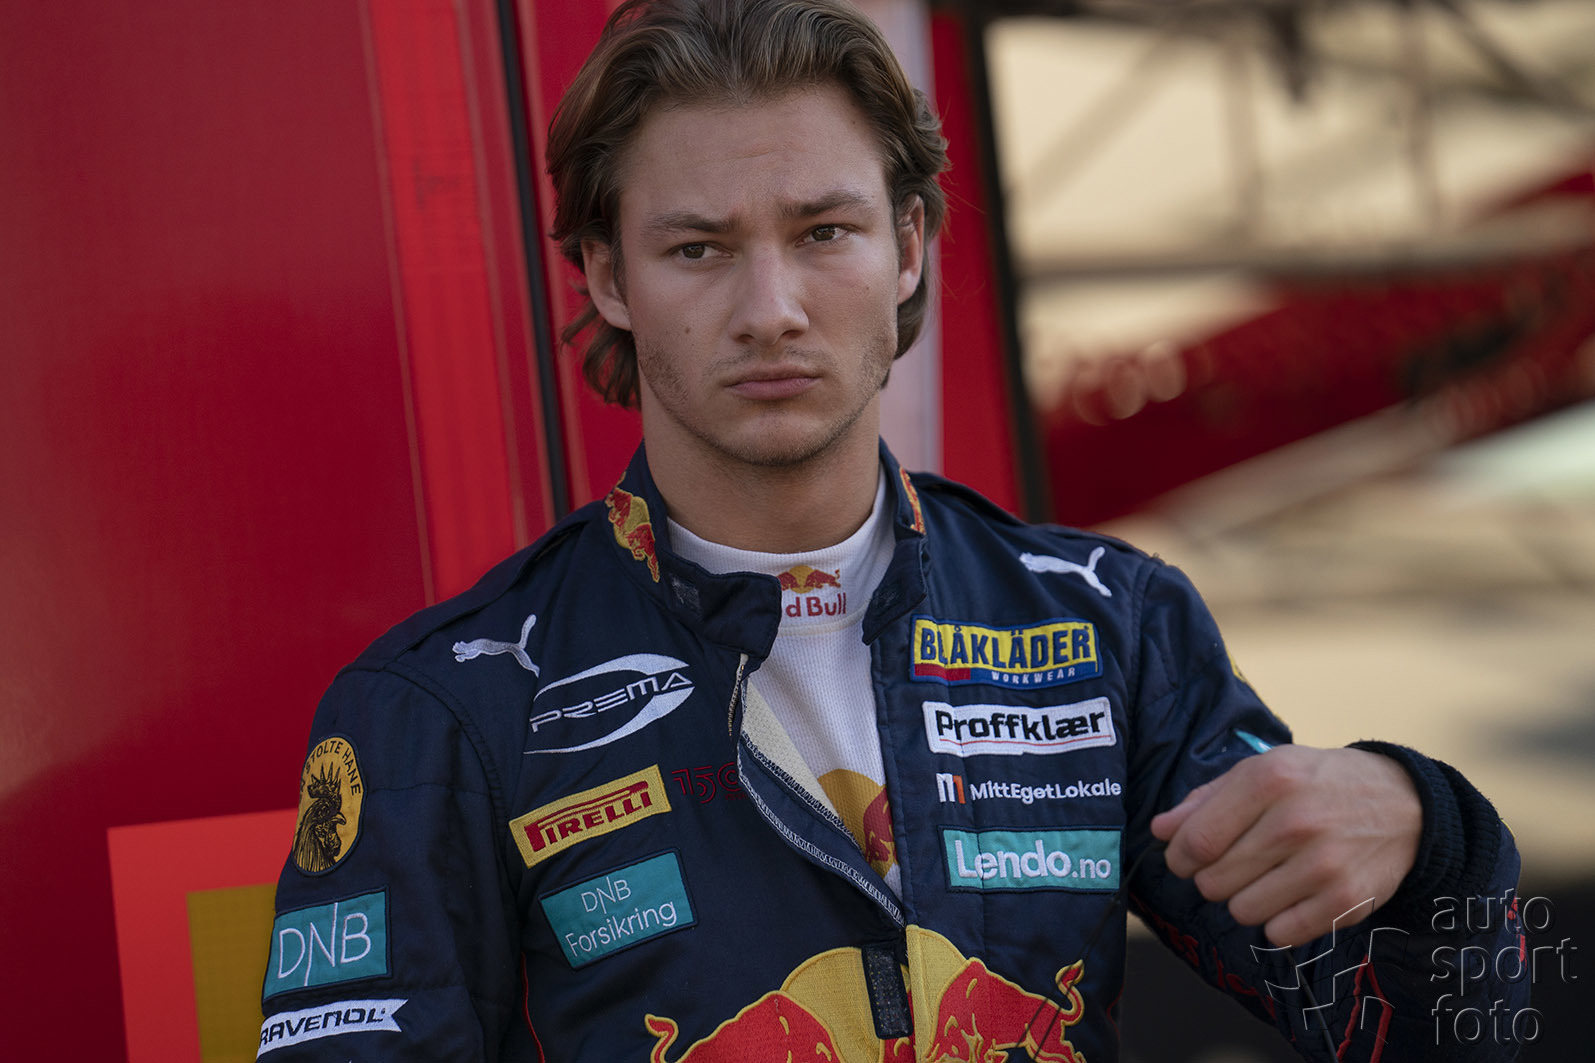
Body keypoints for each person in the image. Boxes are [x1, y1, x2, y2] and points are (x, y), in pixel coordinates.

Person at [259, 1, 1527, 1060]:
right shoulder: (443, 712)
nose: (770, 308)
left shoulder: (1106, 625)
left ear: (907, 245)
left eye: (824, 232)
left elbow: (1435, 1032)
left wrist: (1430, 834)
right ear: (606, 276)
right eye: (697, 249)